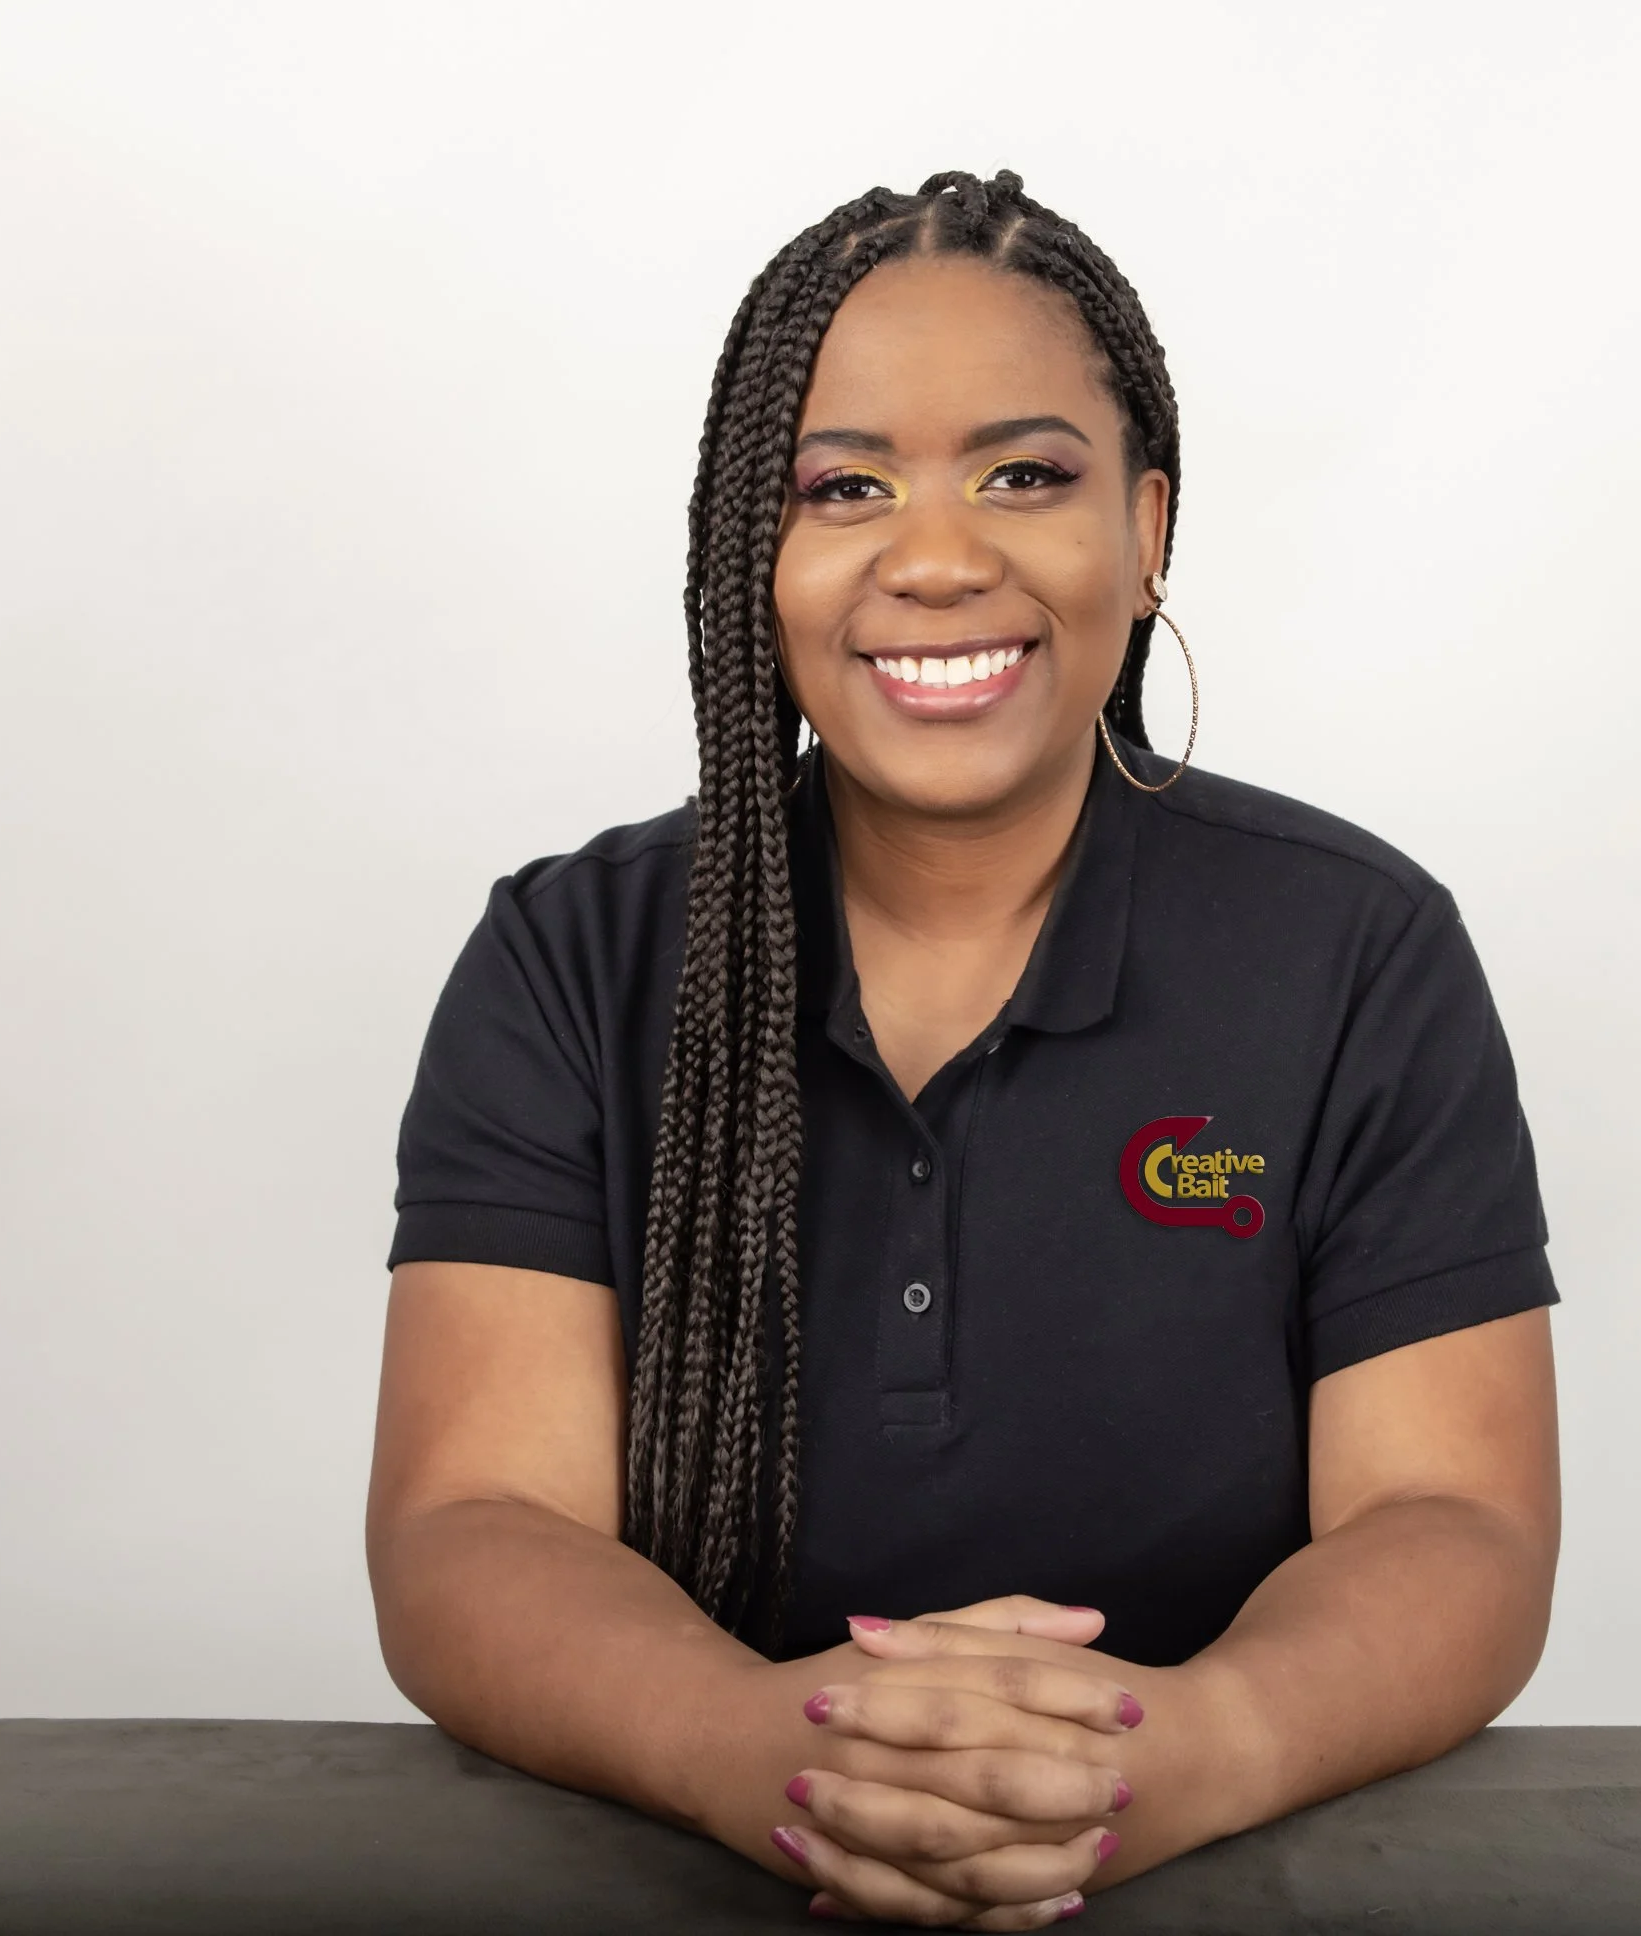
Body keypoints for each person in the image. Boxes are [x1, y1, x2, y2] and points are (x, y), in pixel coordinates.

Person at [366, 169, 1562, 1929]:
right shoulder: (571, 954)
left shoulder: (1356, 949)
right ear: (745, 552)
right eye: (843, 488)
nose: (935, 558)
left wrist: (1195, 1747)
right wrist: (755, 1753)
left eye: (1026, 475)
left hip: (1221, 1867)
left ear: (1148, 529)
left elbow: (1456, 1519)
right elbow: (470, 1524)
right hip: (692, 1865)